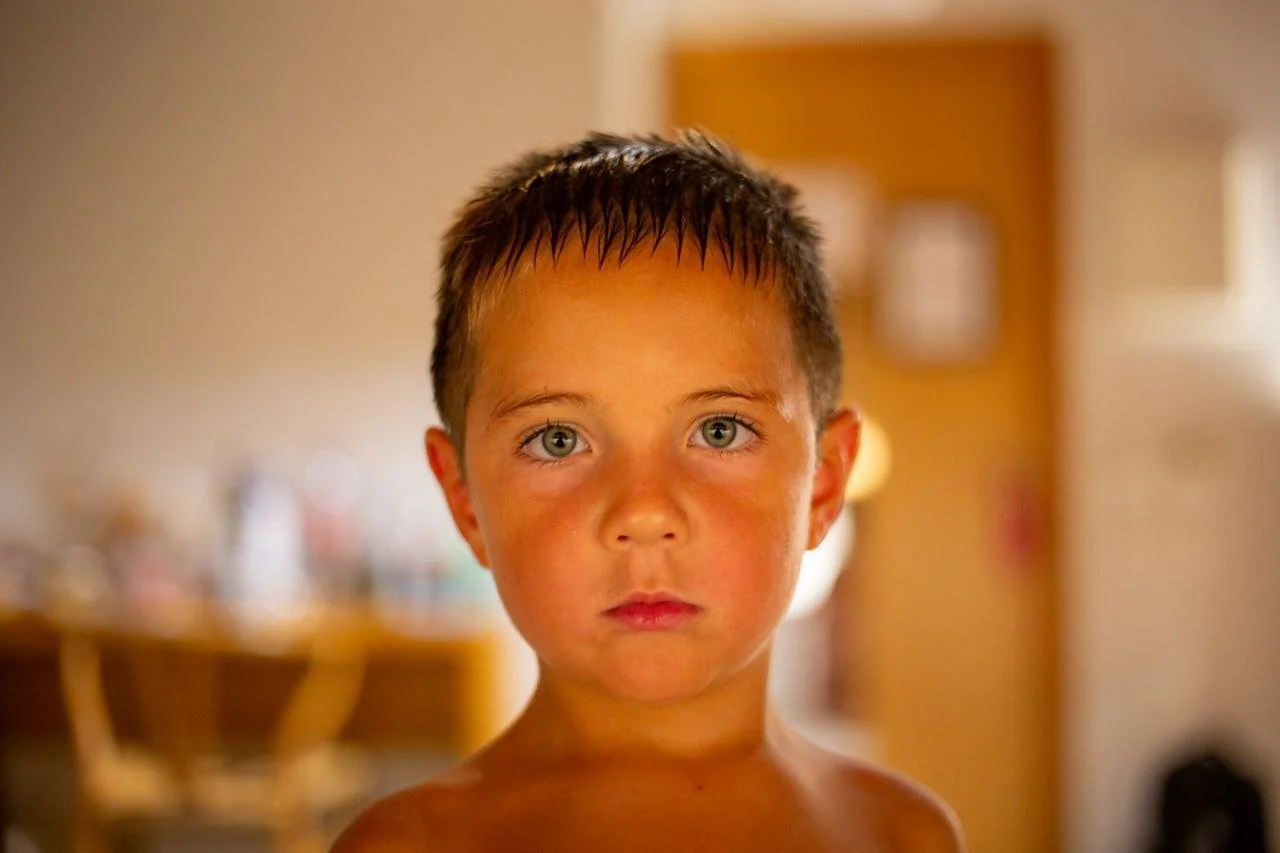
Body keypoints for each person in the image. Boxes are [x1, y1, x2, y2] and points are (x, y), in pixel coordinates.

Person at [333, 131, 963, 852]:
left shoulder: (902, 835)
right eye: (559, 440)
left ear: (822, 483)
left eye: (720, 430)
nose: (643, 512)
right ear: (465, 498)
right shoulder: (406, 847)